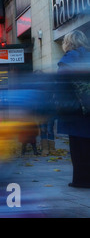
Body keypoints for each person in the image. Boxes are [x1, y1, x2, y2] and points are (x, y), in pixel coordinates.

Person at [56, 30, 90, 188]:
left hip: (75, 110)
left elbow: (61, 87)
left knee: (78, 147)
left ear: (68, 43)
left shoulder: (68, 60)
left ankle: (81, 180)